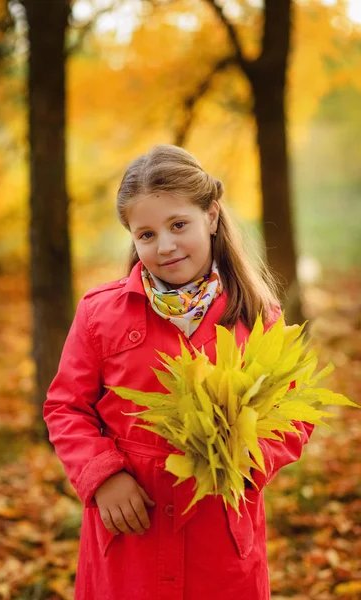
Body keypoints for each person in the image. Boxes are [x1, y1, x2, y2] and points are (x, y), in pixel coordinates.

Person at [43, 144, 314, 600]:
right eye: (145, 234)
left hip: (219, 532)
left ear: (211, 216)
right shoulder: (100, 314)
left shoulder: (256, 314)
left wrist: (246, 461)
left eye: (178, 225)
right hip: (132, 529)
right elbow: (65, 406)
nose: (164, 245)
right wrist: (103, 476)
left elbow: (293, 411)